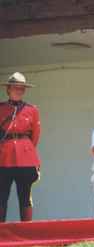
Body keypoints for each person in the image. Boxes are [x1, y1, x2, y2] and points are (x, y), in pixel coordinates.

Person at [0, 72, 41, 222]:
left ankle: (27, 231)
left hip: (25, 158)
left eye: (21, 88)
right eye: (15, 87)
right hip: (3, 157)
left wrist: (25, 149)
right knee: (1, 195)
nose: (19, 91)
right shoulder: (1, 108)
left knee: (25, 195)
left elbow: (35, 136)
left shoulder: (32, 110)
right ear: (8, 89)